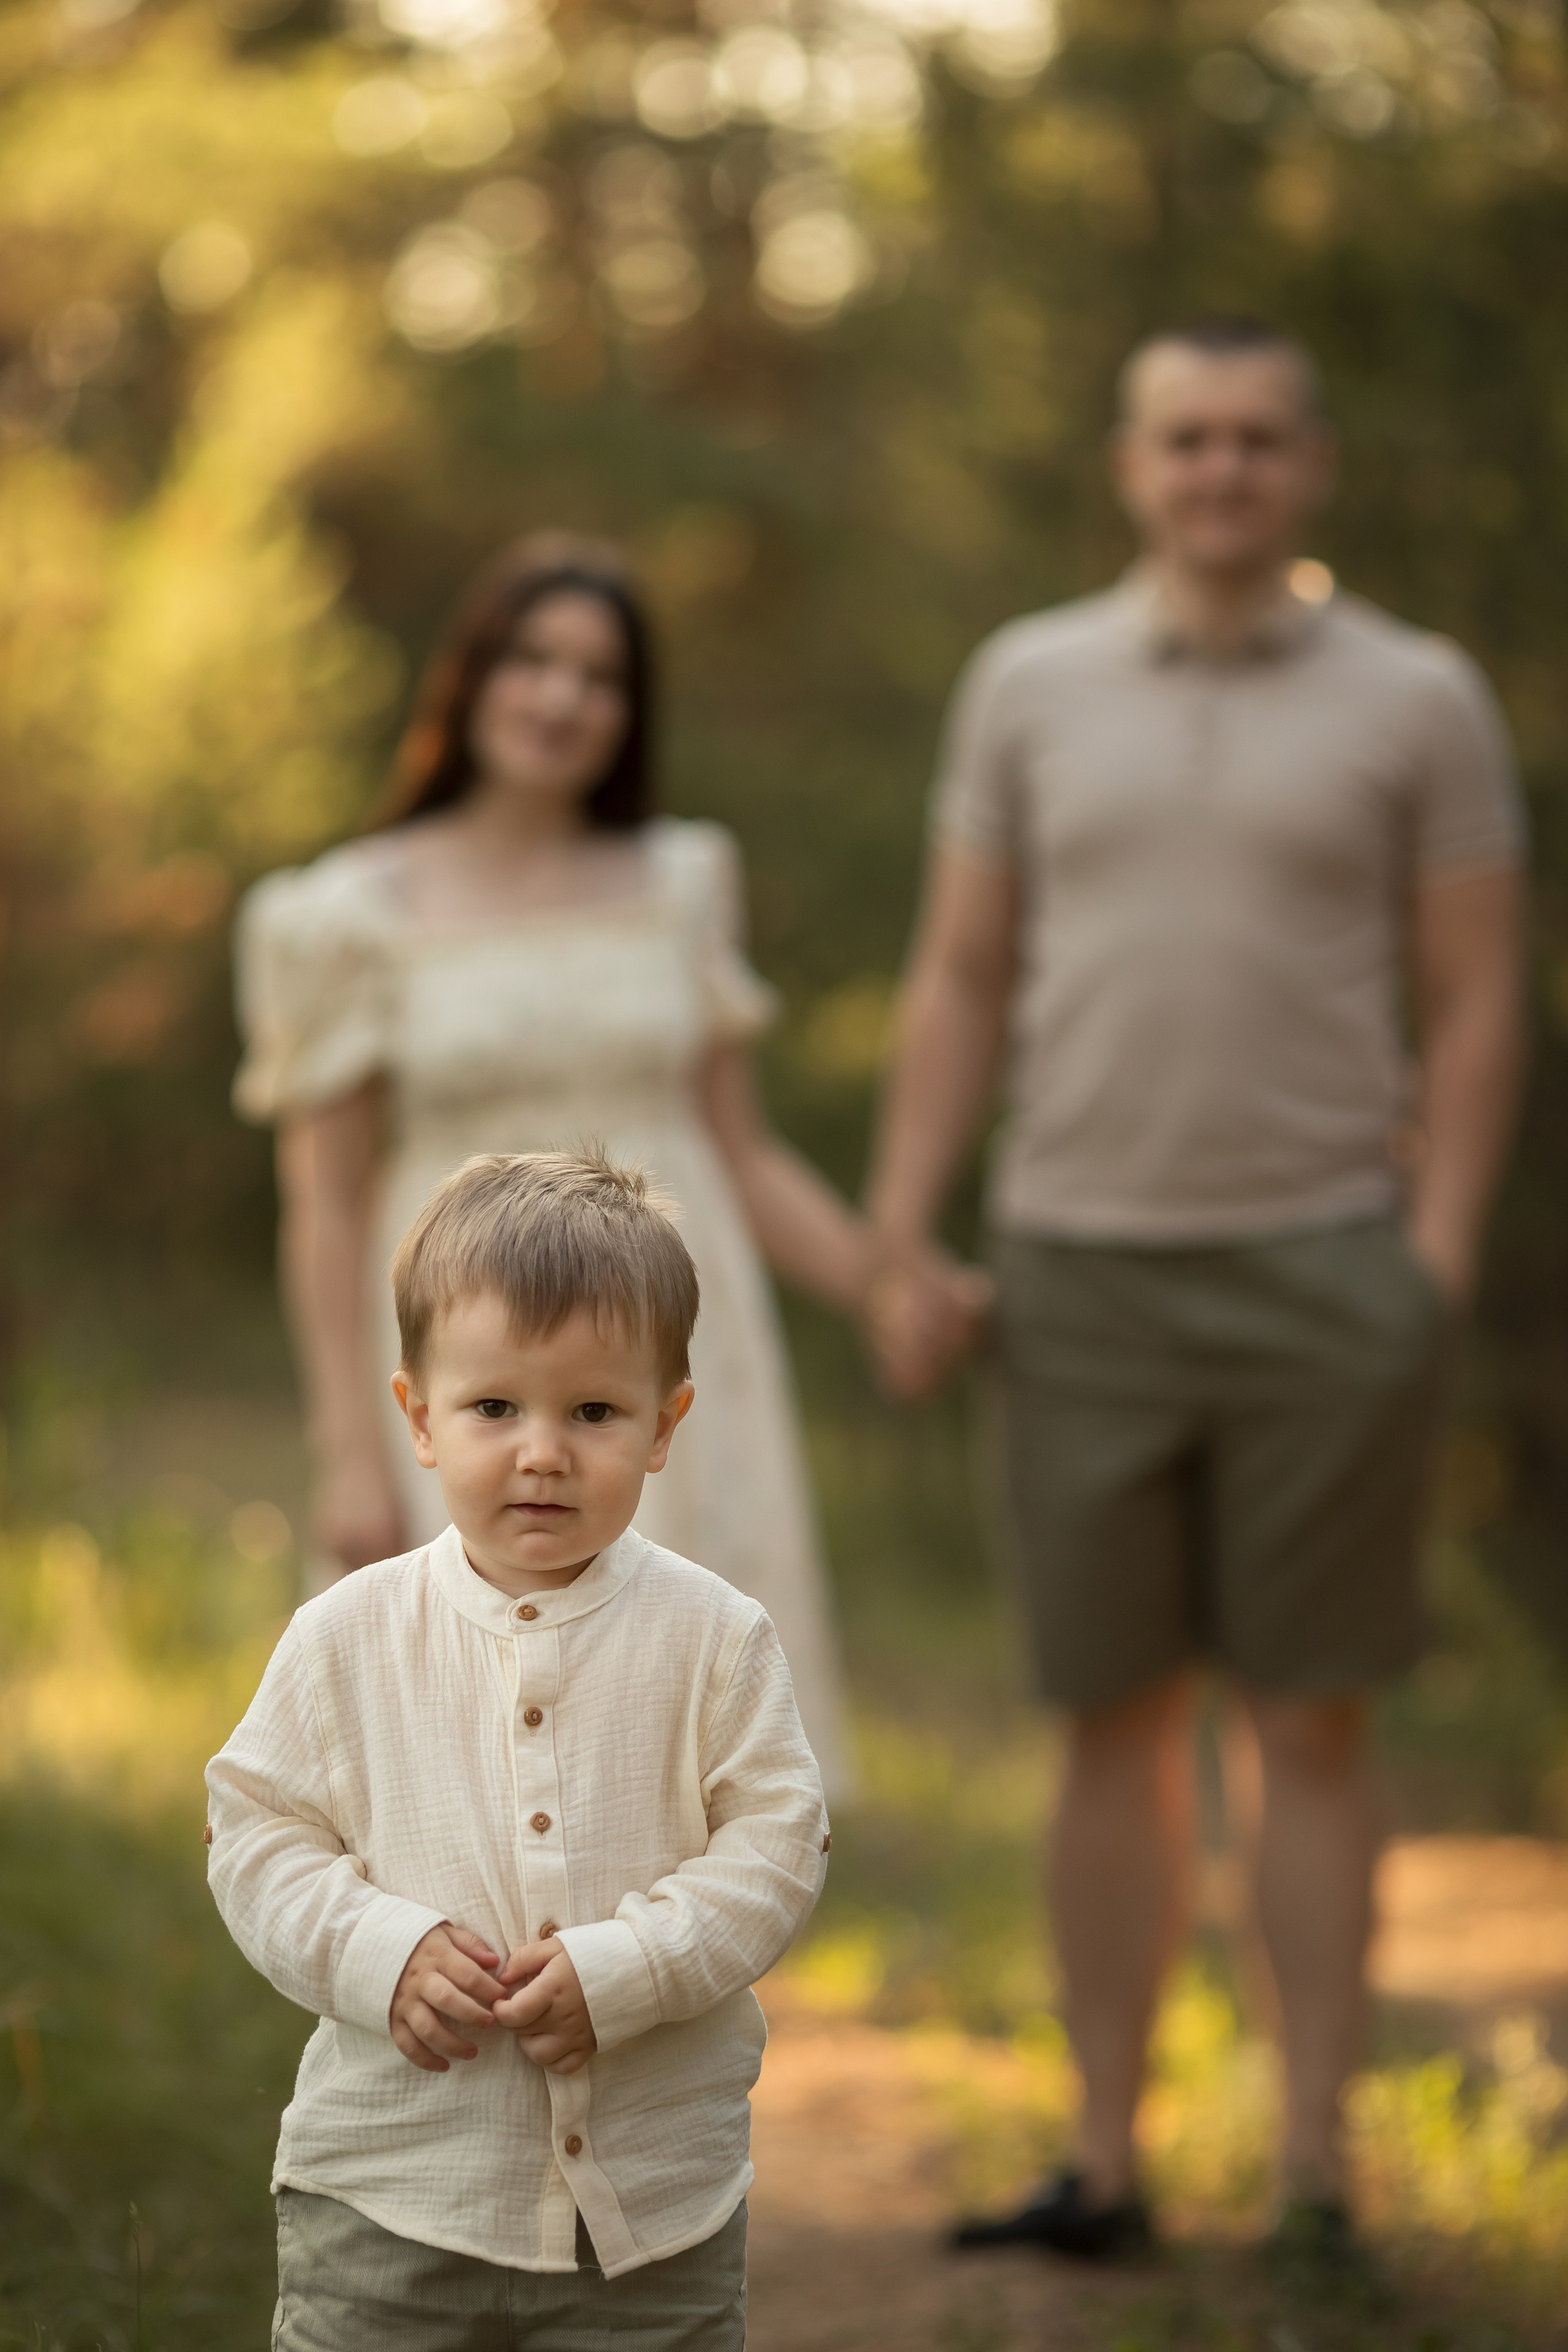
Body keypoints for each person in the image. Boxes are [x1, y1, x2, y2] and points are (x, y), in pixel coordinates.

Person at [865, 317, 1525, 2274]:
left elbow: (1482, 995)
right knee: (1108, 1728)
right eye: (1186, 440)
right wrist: (905, 1226)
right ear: (1131, 464)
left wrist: (1437, 1262)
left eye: (1255, 440)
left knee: (1310, 1729)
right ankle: (1106, 2165)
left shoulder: (1419, 696)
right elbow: (961, 976)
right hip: (1078, 1275)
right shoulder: (1029, 683)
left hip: (1334, 1274)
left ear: (1313, 468)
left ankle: (1319, 2168)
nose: (1220, 471)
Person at [233, 534, 866, 1795]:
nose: (563, 697)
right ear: (470, 678)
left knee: (680, 1739)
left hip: (669, 1349)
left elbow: (741, 1155)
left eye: (600, 675)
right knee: (459, 1742)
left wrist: (888, 1286)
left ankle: (663, 1979)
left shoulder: (680, 882)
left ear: (629, 714)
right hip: (471, 1356)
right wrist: (350, 1447)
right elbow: (326, 1199)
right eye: (533, 661)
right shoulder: (342, 917)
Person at [206, 1147, 827, 2346]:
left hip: (650, 2222)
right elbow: (256, 1835)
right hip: (393, 2198)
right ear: (417, 1416)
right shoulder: (346, 1636)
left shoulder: (715, 1640)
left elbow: (775, 1848)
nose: (541, 1450)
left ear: (664, 1425)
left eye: (592, 1411)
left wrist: (630, 1968)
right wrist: (377, 1950)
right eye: (495, 1406)